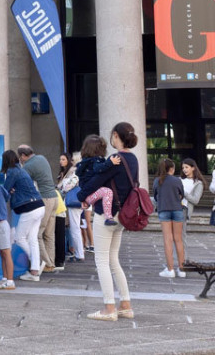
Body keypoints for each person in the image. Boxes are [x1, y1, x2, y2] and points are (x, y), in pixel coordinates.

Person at [77, 122, 138, 322]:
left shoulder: (115, 159)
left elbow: (88, 188)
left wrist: (81, 194)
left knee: (101, 261)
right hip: (122, 216)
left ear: (115, 136)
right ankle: (126, 306)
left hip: (106, 215)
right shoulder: (133, 158)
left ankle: (109, 308)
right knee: (113, 260)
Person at [0, 149, 45, 282]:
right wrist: (13, 191)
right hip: (39, 205)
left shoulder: (12, 171)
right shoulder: (21, 170)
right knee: (32, 239)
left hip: (29, 208)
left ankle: (36, 264)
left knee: (19, 238)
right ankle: (34, 272)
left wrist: (10, 191)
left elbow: (4, 191)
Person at [17, 145, 59, 272]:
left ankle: (44, 263)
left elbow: (22, 182)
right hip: (54, 197)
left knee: (38, 234)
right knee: (49, 234)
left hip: (45, 199)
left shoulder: (28, 166)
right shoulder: (41, 158)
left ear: (23, 156)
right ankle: (50, 263)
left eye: (20, 157)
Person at [153, 158, 186, 278]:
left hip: (163, 209)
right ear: (172, 169)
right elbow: (182, 194)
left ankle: (170, 269)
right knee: (178, 239)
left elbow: (155, 196)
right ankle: (182, 269)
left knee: (168, 239)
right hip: (177, 209)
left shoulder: (157, 180)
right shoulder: (177, 180)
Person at [58, 153, 83, 262]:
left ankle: (79, 253)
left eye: (63, 159)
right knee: (73, 228)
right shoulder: (63, 173)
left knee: (75, 228)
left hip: (72, 203)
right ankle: (76, 252)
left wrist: (61, 186)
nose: (61, 161)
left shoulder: (73, 174)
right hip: (68, 203)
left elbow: (64, 188)